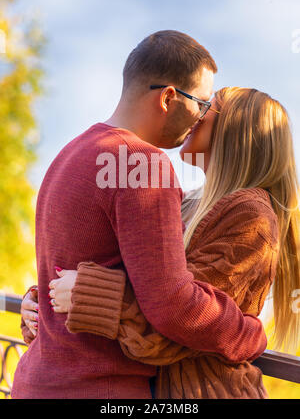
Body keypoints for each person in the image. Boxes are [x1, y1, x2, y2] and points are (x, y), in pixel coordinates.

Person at [12, 31, 267, 399]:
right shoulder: (143, 165)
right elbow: (173, 306)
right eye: (201, 102)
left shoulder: (71, 153)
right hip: (98, 389)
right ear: (168, 98)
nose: (201, 117)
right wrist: (248, 334)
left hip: (36, 380)